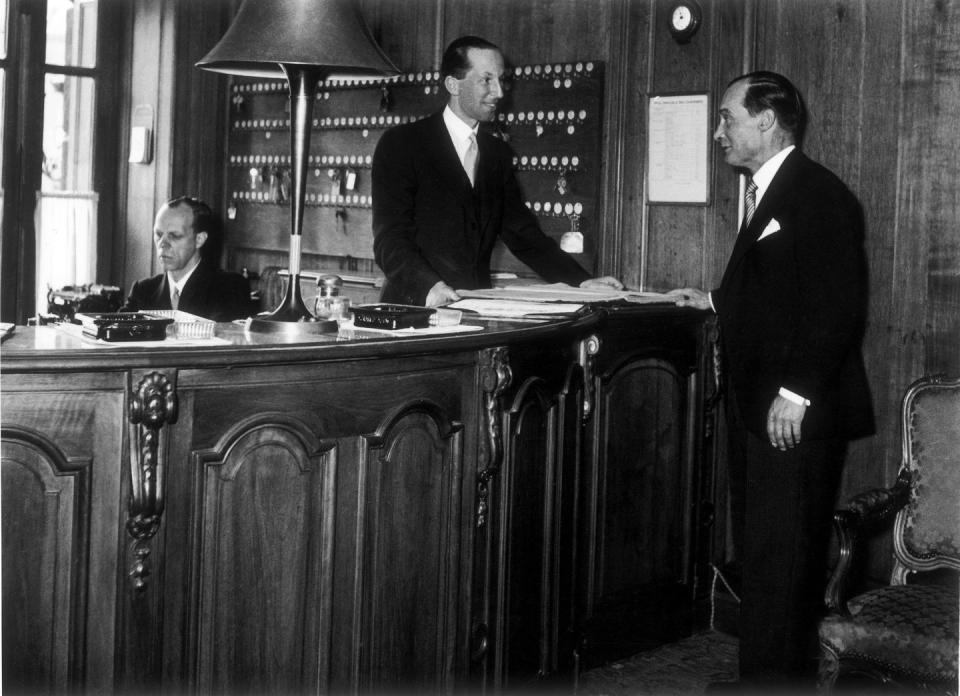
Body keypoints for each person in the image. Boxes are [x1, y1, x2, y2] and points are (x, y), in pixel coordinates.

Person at [668, 71, 873, 690]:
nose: (718, 130)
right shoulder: (767, 191)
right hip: (759, 408)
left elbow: (837, 306)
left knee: (785, 562)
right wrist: (711, 299)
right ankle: (762, 677)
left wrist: (796, 392)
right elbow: (778, 292)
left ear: (768, 121)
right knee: (765, 553)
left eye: (728, 117)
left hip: (793, 412)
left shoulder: (818, 195)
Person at [372, 35, 623, 307]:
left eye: (500, 80)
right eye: (486, 80)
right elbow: (390, 239)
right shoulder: (402, 144)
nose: (500, 92)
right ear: (453, 85)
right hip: (412, 308)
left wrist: (580, 281)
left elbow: (524, 235)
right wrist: (428, 287)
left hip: (473, 309)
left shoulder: (497, 154)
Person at [120, 196, 251, 321]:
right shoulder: (143, 291)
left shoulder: (229, 288)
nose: (162, 244)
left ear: (199, 239)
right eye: (158, 234)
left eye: (175, 236)